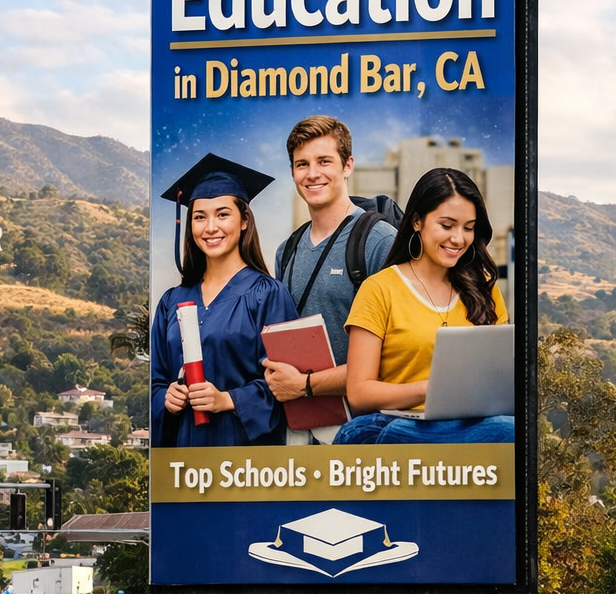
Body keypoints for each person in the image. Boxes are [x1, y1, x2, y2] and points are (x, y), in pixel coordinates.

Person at [335, 166, 514, 444]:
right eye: (447, 226)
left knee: (510, 428)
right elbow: (359, 394)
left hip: (472, 427)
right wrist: (428, 390)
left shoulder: (485, 289)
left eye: (468, 228)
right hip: (400, 425)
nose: (458, 239)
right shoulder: (379, 289)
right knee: (399, 432)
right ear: (417, 221)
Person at [151, 153, 298, 447]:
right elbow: (155, 381)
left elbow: (288, 386)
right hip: (185, 459)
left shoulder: (268, 295)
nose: (210, 228)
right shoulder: (171, 302)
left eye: (222, 214)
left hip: (245, 459)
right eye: (199, 217)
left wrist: (228, 399)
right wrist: (166, 397)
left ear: (244, 221)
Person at [263, 115, 397, 431]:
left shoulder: (379, 241)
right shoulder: (287, 250)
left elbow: (394, 358)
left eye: (324, 161)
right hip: (301, 428)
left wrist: (306, 385)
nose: (312, 174)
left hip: (365, 431)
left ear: (347, 166)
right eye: (302, 164)